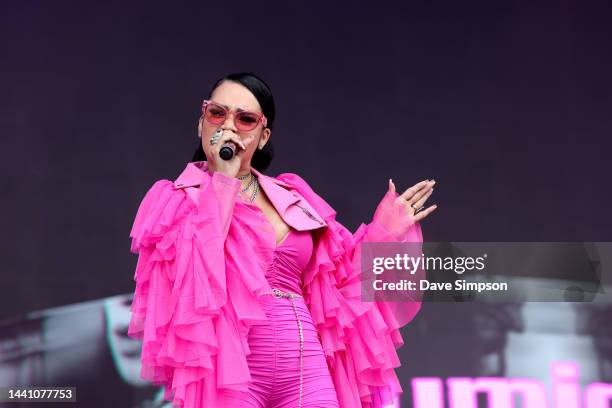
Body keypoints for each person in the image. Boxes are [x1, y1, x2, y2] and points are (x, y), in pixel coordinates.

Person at [127, 72, 437, 408]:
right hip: (233, 375)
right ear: (201, 122)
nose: (228, 126)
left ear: (263, 136)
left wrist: (384, 231)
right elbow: (198, 276)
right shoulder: (175, 199)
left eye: (245, 119)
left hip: (306, 371)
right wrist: (224, 182)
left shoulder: (292, 194)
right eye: (217, 113)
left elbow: (338, 284)